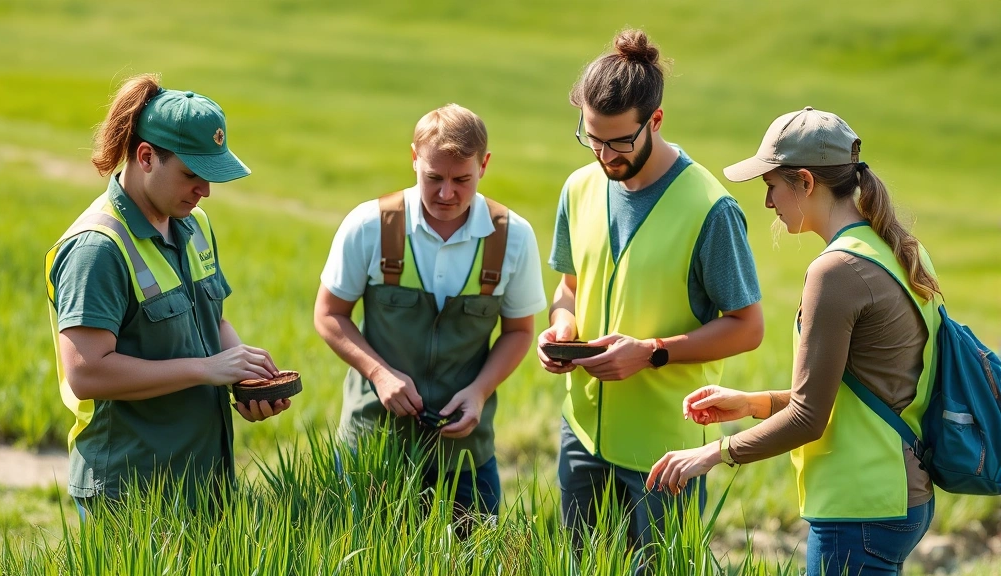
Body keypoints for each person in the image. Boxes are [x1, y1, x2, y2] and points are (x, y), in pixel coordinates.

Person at [646, 107, 941, 575]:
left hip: (858, 507)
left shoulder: (835, 272)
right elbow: (857, 393)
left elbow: (809, 418)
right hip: (900, 495)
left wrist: (713, 453)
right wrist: (752, 403)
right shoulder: (898, 249)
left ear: (805, 181)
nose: (767, 202)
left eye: (771, 185)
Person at [537, 29, 764, 553]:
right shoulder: (579, 187)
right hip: (582, 437)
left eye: (619, 141)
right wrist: (563, 324)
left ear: (655, 121)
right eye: (592, 137)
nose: (604, 155)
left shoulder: (711, 209)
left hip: (667, 456)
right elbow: (569, 286)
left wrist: (652, 353)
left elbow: (748, 328)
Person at [45, 74, 290, 516]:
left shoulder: (196, 224)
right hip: (130, 491)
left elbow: (212, 321)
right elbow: (87, 373)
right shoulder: (97, 249)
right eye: (192, 174)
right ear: (146, 157)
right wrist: (206, 368)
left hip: (203, 480)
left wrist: (245, 378)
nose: (205, 190)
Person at [314, 103, 545, 516]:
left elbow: (519, 332)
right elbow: (329, 314)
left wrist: (479, 391)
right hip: (372, 445)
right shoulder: (369, 225)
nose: (446, 194)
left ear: (484, 165)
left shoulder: (513, 237)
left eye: (462, 180)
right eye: (433, 177)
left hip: (465, 452)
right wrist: (379, 374)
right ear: (413, 159)